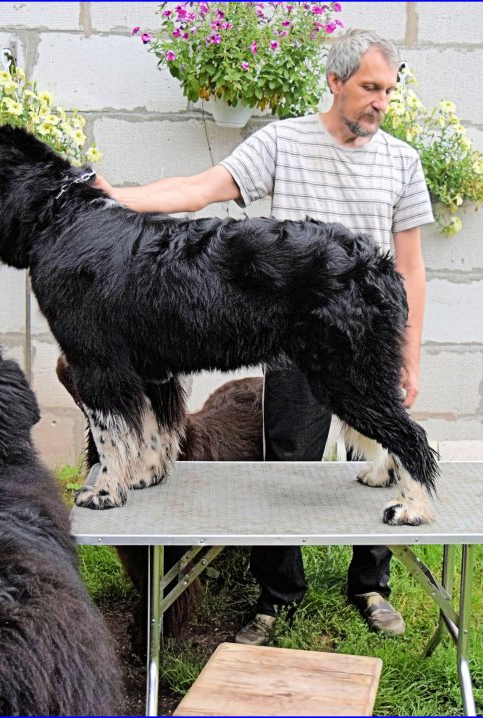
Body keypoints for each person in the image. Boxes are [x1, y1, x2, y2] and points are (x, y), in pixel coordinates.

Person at [95, 28, 433, 645]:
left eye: (388, 88)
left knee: (379, 452)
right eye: (368, 87)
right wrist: (120, 198)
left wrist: (408, 352)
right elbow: (199, 189)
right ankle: (277, 597)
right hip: (294, 330)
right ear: (335, 82)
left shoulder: (402, 161)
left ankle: (371, 586)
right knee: (286, 465)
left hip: (364, 327)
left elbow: (410, 269)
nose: (380, 101)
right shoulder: (282, 141)